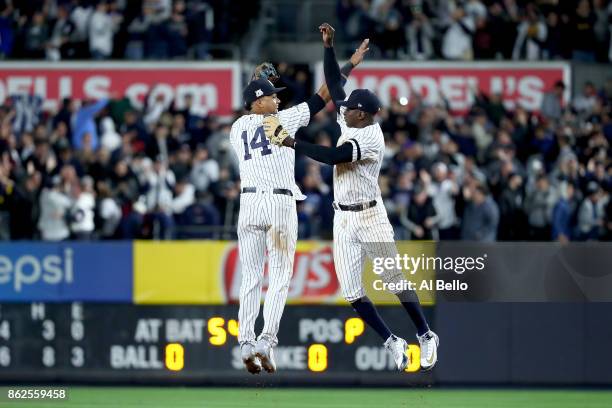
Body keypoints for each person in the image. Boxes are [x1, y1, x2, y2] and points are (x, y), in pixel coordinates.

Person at [263, 23, 439, 372]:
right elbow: (335, 86)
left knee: (395, 281)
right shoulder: (352, 117)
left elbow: (333, 157)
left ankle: (425, 334)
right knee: (353, 293)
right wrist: (330, 48)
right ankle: (393, 341)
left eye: (351, 110)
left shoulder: (371, 138)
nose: (344, 110)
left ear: (364, 115)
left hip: (371, 216)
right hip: (342, 217)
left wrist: (292, 141)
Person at [231, 40, 369, 374]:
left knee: (249, 276)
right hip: (278, 203)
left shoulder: (236, 128)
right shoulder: (284, 120)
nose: (278, 99)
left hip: (248, 204)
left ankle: (245, 342)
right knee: (279, 275)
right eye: (272, 95)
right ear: (259, 101)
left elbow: (253, 103)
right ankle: (266, 341)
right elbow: (324, 94)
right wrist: (349, 64)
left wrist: (256, 85)